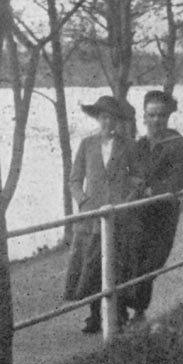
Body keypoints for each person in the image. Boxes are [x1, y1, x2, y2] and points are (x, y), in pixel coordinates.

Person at [64, 95, 139, 334]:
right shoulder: (87, 144)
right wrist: (83, 200)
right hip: (91, 216)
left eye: (113, 118)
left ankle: (118, 314)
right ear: (98, 118)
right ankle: (95, 315)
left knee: (117, 263)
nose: (108, 123)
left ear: (118, 121)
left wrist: (126, 200)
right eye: (104, 117)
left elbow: (137, 178)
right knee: (91, 265)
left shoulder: (127, 144)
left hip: (118, 214)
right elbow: (74, 180)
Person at [123, 90, 183, 324]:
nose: (156, 121)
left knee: (151, 263)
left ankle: (139, 309)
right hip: (135, 214)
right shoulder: (137, 146)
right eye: (151, 115)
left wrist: (150, 190)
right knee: (129, 258)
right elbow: (126, 176)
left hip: (162, 215)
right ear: (144, 116)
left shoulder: (179, 145)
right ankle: (125, 310)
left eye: (161, 115)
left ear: (167, 117)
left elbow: (176, 182)